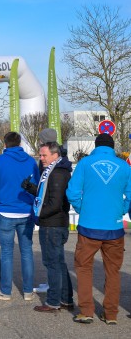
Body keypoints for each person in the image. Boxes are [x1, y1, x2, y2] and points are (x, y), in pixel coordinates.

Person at [66, 133, 131, 324]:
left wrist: (81, 208)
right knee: (113, 271)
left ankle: (86, 311)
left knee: (84, 268)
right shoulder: (123, 166)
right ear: (112, 147)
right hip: (115, 227)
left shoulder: (85, 164)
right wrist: (121, 210)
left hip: (89, 227)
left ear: (95, 146)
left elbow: (72, 192)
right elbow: (129, 194)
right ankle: (110, 314)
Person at [0, 132, 39, 301]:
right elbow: (37, 187)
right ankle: (28, 291)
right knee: (26, 251)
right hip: (26, 210)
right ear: (19, 143)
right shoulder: (31, 161)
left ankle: (6, 291)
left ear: (5, 143)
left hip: (5, 211)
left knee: (7, 252)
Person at [22, 142, 74, 313]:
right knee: (58, 263)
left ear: (55, 154)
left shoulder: (57, 173)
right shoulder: (53, 170)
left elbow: (55, 203)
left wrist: (38, 213)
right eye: (40, 155)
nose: (41, 158)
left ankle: (53, 302)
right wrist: (31, 188)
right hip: (54, 222)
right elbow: (47, 194)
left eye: (44, 155)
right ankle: (65, 299)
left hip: (52, 224)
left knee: (52, 264)